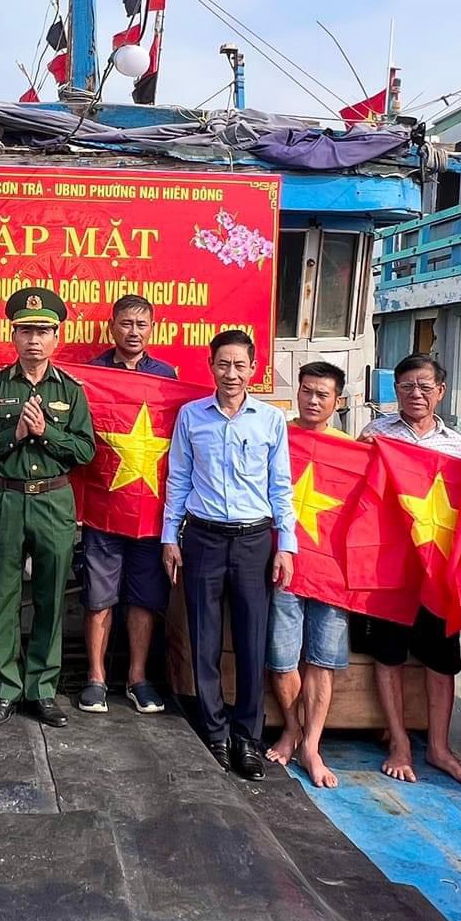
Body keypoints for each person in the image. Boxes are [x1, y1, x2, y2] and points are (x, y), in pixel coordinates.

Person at [159, 331, 296, 781]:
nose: (231, 374)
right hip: (203, 538)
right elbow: (178, 479)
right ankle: (214, 732)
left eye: (240, 365)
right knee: (204, 638)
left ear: (253, 369)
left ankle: (247, 737)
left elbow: (281, 487)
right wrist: (169, 537)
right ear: (211, 365)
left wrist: (286, 546)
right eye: (223, 364)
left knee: (253, 640)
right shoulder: (191, 416)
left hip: (255, 542)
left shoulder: (270, 421)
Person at [0, 288, 96, 727]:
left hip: (54, 500)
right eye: (25, 331)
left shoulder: (72, 391)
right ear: (13, 335)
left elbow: (85, 451)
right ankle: (4, 689)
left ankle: (41, 689)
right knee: (3, 596)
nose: (33, 340)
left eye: (42, 331)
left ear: (57, 337)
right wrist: (16, 436)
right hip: (7, 497)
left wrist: (45, 434)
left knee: (50, 596)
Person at [357, 352, 461, 787]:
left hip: (437, 569)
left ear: (440, 392)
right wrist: (363, 455)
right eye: (407, 386)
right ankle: (399, 742)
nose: (415, 394)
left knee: (442, 661)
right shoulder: (374, 434)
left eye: (425, 387)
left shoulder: (458, 445)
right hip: (388, 566)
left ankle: (441, 747)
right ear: (396, 391)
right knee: (387, 655)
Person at [79, 293, 179, 715]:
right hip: (104, 503)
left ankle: (138, 678)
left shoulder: (167, 377)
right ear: (112, 327)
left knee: (143, 598)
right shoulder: (94, 374)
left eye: (141, 324)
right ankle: (96, 679)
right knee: (98, 597)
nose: (133, 331)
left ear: (152, 329)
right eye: (126, 323)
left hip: (151, 510)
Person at [267, 360, 353, 787]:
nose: (313, 400)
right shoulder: (277, 433)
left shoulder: (354, 450)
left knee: (323, 659)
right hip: (286, 560)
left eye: (322, 394)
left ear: (337, 402)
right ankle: (292, 729)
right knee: (283, 658)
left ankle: (312, 745)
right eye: (306, 391)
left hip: (334, 570)